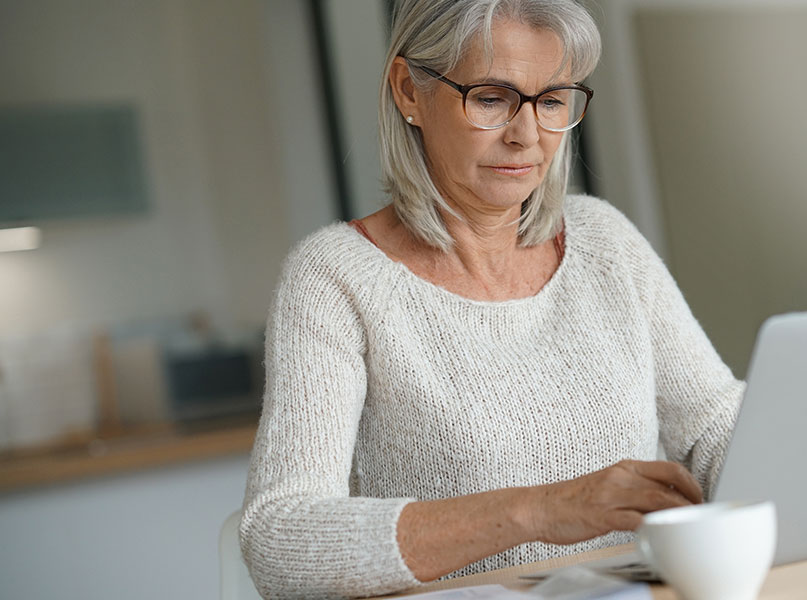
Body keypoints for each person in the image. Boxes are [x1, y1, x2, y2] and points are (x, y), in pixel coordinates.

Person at [239, 0, 745, 598]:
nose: (527, 134)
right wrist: (540, 511)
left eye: (553, 100)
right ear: (408, 91)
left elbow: (714, 426)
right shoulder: (333, 279)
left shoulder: (603, 239)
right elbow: (279, 538)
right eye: (490, 97)